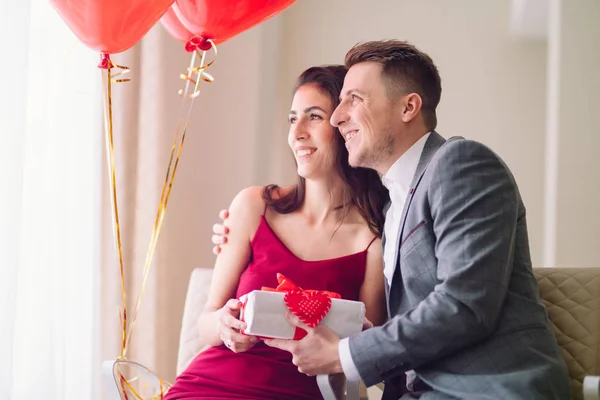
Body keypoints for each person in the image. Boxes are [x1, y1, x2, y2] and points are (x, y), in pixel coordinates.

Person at [211, 40, 571, 399]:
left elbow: (464, 305)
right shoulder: (390, 209)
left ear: (408, 107)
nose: (338, 117)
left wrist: (343, 354)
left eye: (355, 99)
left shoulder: (461, 163)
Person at [164, 65, 389, 400]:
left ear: (345, 126)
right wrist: (224, 327)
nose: (296, 132)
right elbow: (206, 322)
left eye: (313, 116)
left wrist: (350, 343)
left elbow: (367, 360)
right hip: (209, 384)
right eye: (291, 118)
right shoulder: (254, 206)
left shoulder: (370, 240)